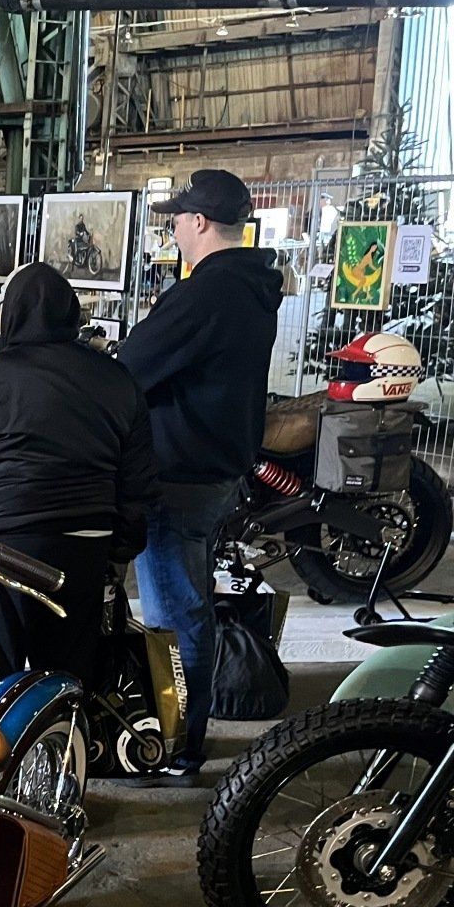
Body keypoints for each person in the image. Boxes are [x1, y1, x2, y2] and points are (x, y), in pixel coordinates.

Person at [0, 263, 158, 710]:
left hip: (4, 549)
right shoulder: (119, 381)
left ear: (10, 317)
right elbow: (137, 487)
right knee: (67, 690)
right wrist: (117, 554)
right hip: (85, 550)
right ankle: (62, 753)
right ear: (72, 315)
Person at [117, 168, 283, 788]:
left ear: (201, 222)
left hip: (179, 477)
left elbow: (133, 364)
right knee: (190, 603)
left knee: (176, 616)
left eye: (179, 221)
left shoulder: (204, 294)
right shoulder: (252, 285)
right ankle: (186, 729)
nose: (175, 231)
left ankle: (180, 744)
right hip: (218, 469)